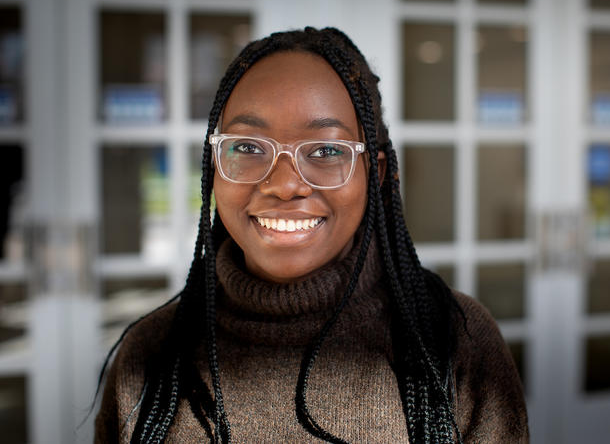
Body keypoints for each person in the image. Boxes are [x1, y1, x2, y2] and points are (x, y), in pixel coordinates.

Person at [95, 27, 528, 444]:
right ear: (213, 164)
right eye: (247, 147)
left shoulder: (455, 341)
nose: (284, 184)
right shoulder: (150, 354)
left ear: (373, 174)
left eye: (326, 151)